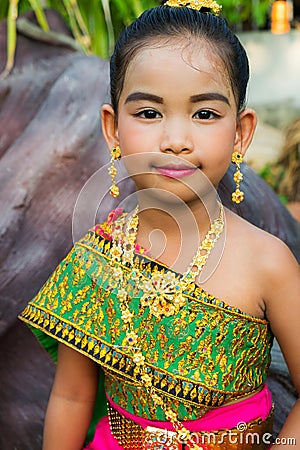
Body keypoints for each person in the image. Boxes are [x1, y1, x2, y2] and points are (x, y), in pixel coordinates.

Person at [19, 1, 300, 449]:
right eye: (149, 113)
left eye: (204, 114)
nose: (175, 140)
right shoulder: (95, 259)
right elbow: (72, 398)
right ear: (113, 129)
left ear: (241, 133)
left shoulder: (269, 263)